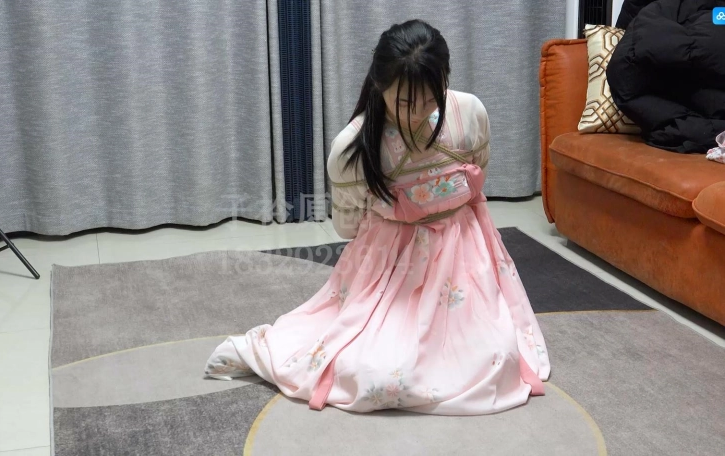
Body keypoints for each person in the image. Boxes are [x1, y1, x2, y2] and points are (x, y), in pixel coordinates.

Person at [204, 19, 550, 416]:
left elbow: (477, 180)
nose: (418, 113)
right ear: (379, 84)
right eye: (404, 103)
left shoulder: (469, 112)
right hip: (393, 264)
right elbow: (347, 226)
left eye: (429, 98)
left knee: (497, 355)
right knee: (375, 371)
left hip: (465, 254)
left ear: (445, 79)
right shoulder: (353, 147)